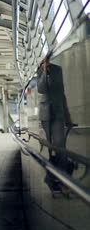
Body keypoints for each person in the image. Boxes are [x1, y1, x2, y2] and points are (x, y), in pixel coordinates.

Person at [37, 51, 74, 192]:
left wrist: (68, 116)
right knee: (50, 148)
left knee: (60, 146)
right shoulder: (40, 70)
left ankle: (62, 178)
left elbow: (62, 92)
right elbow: (41, 88)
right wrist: (45, 71)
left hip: (58, 113)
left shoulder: (58, 70)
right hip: (46, 114)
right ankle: (53, 179)